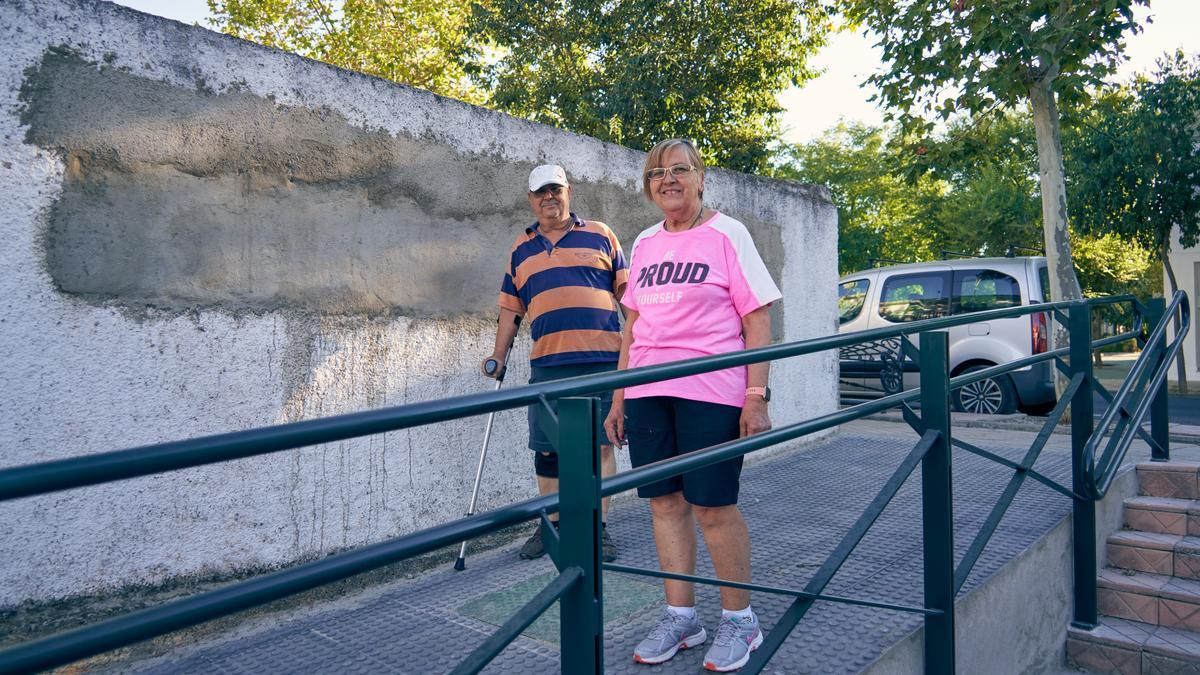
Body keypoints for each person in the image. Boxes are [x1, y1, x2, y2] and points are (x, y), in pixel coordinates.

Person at [603, 139, 780, 672]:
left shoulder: (728, 234)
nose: (668, 180)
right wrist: (619, 396)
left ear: (701, 177)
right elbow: (633, 327)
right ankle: (682, 617)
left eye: (679, 169)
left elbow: (757, 320)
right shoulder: (644, 241)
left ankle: (740, 620)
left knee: (712, 505)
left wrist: (755, 397)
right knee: (663, 504)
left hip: (711, 390)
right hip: (647, 392)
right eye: (657, 173)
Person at [485, 164, 628, 563]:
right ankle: (554, 525)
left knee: (601, 447)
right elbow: (510, 309)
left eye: (555, 189)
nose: (549, 197)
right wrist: (498, 355)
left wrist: (643, 349)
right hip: (548, 364)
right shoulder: (521, 247)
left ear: (568, 192)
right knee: (548, 450)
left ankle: (597, 527)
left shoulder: (600, 234)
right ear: (531, 200)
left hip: (604, 360)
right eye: (540, 192)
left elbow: (628, 299)